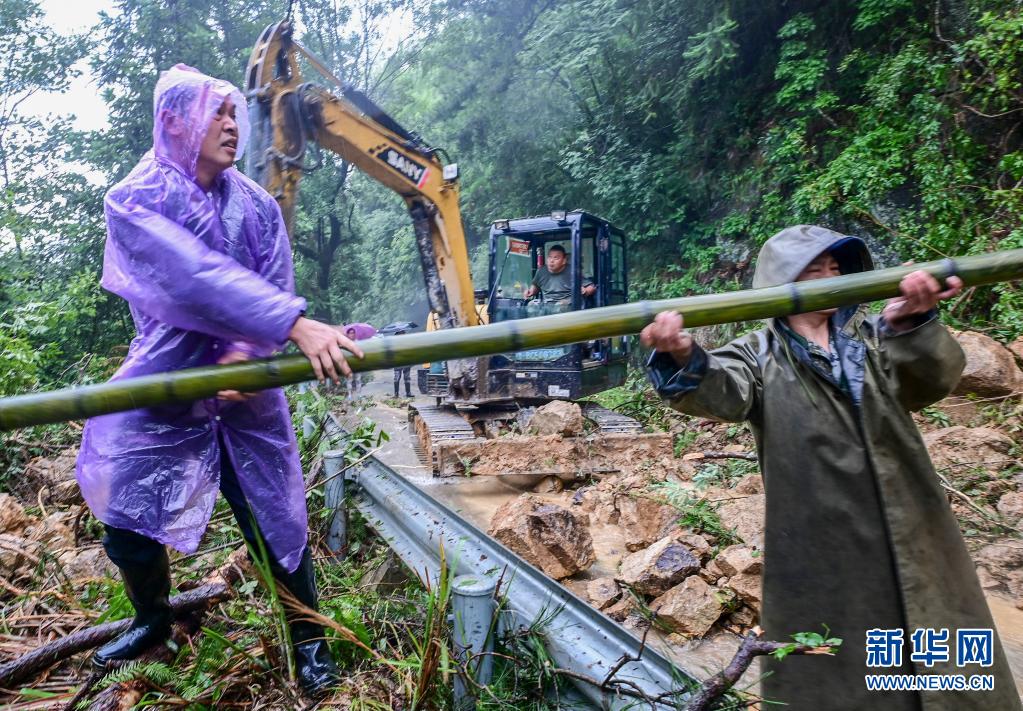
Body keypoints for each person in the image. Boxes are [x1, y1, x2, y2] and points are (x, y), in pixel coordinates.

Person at [640, 225, 1021, 711]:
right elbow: (722, 392)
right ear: (783, 283)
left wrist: (912, 325)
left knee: (941, 648)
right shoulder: (758, 354)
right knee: (841, 665)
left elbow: (930, 384)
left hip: (910, 521)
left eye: (835, 268)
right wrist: (681, 353)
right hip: (824, 541)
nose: (829, 278)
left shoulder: (872, 337)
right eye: (813, 271)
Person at [74, 64, 363, 697]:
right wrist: (291, 323)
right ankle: (152, 618)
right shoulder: (135, 198)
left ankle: (309, 641)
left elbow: (273, 277)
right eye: (218, 113)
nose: (233, 126)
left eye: (235, 114)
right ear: (173, 121)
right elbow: (191, 275)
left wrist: (247, 351)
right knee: (125, 508)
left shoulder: (256, 205)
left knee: (274, 520)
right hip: (165, 379)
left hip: (248, 385)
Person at [523, 244, 596, 303]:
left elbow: (592, 287)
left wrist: (585, 291)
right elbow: (535, 286)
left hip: (568, 306)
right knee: (531, 306)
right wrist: (530, 292)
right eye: (550, 257)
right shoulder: (541, 271)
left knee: (561, 306)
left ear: (564, 260)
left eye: (556, 258)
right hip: (547, 306)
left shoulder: (573, 271)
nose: (551, 261)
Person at [392, 329, 413, 397]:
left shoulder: (407, 342)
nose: (404, 334)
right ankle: (397, 393)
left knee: (406, 378)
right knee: (397, 378)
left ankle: (407, 393)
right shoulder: (395, 343)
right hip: (398, 362)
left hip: (405, 362)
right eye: (402, 333)